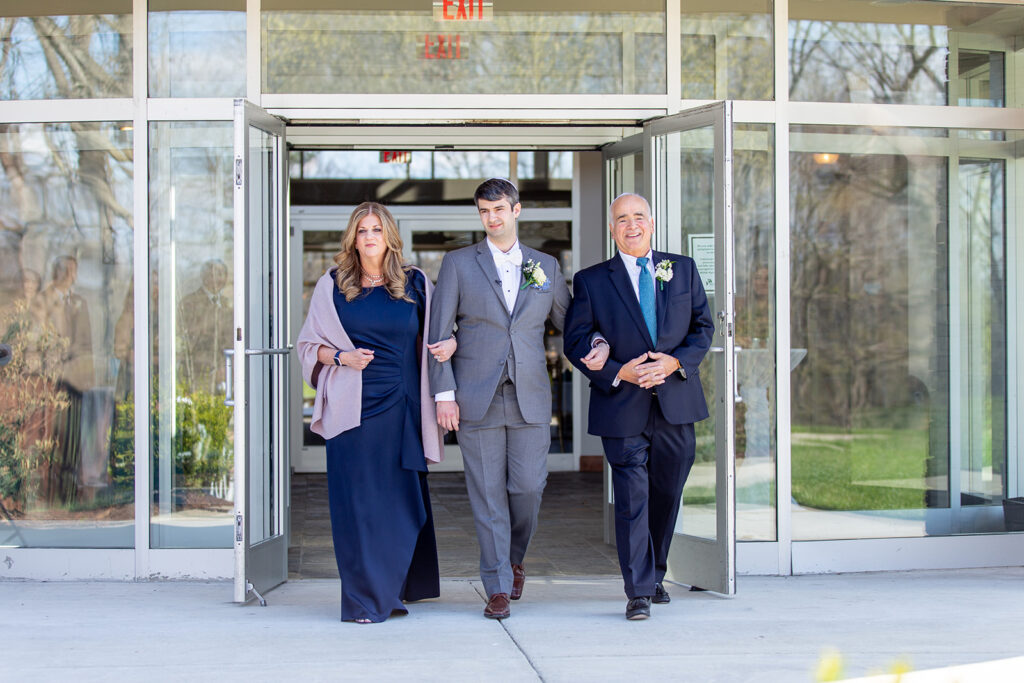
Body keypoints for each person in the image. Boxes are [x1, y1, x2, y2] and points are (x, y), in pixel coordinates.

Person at [297, 202, 456, 624]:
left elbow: (442, 337)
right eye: (362, 230)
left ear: (389, 236)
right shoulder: (332, 285)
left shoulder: (416, 283)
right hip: (352, 414)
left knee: (402, 505)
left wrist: (450, 361)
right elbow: (308, 346)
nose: (369, 236)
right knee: (358, 507)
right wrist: (342, 358)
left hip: (402, 407)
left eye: (377, 229)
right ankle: (365, 600)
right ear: (353, 237)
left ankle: (393, 588)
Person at [563, 193, 714, 620]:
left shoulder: (680, 269)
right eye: (622, 219)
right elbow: (576, 340)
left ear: (651, 222)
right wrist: (618, 371)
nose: (632, 225)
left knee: (667, 493)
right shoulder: (592, 280)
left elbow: (703, 326)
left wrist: (676, 361)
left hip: (676, 403)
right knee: (632, 497)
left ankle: (655, 573)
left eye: (639, 217)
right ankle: (638, 591)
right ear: (612, 229)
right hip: (622, 404)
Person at [427, 178, 573, 620]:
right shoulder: (457, 264)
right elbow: (437, 337)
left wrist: (604, 345)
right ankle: (497, 586)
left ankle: (514, 558)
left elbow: (572, 321)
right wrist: (444, 394)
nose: (492, 217)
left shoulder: (544, 265)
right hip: (477, 397)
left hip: (529, 396)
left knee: (528, 488)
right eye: (485, 211)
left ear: (517, 210)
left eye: (499, 209)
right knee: (487, 494)